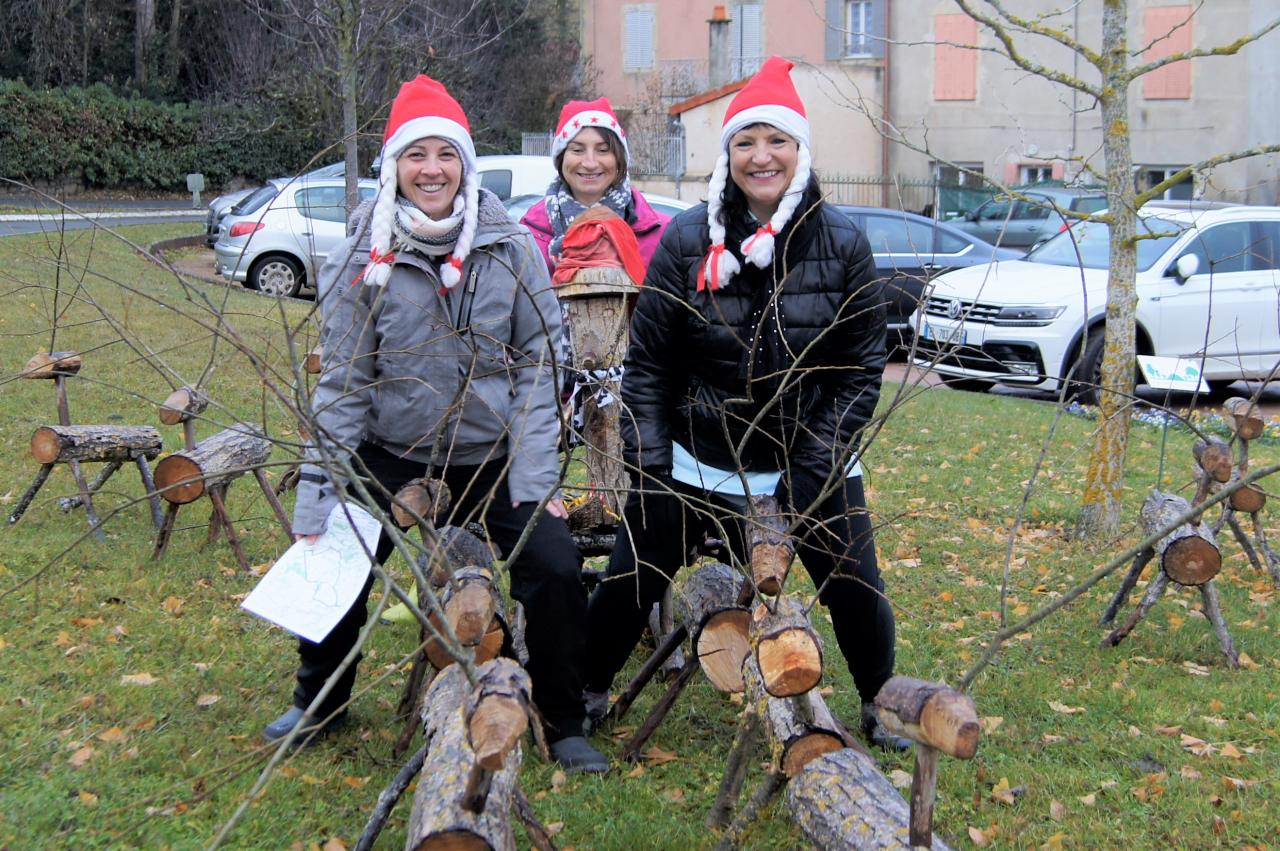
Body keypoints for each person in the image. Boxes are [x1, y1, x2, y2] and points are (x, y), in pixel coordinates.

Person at [263, 75, 607, 773]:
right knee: (337, 554)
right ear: (394, 166)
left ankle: (564, 717)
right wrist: (317, 497)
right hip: (393, 448)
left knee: (553, 563)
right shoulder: (363, 254)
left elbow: (545, 359)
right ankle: (319, 698)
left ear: (465, 165)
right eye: (415, 155)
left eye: (445, 155)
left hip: (492, 453)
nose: (431, 170)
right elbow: (344, 382)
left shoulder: (510, 248)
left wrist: (537, 471)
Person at [582, 56, 909, 751]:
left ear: (800, 149)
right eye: (745, 142)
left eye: (777, 141)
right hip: (698, 455)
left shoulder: (844, 245)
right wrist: (650, 462)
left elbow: (858, 372)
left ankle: (880, 700)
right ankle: (582, 687)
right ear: (728, 152)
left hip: (805, 457)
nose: (762, 157)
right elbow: (648, 364)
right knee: (633, 570)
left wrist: (814, 465)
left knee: (855, 582)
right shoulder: (685, 239)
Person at [520, 97, 669, 276]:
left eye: (603, 150)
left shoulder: (664, 235)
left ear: (619, 158)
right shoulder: (528, 235)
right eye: (577, 150)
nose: (590, 163)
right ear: (561, 158)